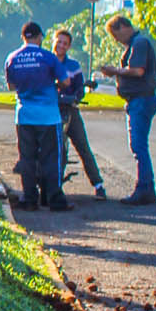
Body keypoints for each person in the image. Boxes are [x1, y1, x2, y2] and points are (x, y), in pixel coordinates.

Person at [4, 20, 70, 212]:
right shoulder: (48, 57)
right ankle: (54, 199)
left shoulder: (12, 58)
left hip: (24, 115)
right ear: (40, 36)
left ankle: (29, 198)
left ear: (23, 37)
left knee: (27, 158)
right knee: (51, 158)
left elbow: (11, 86)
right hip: (48, 116)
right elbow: (65, 81)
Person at [99, 14, 156, 205]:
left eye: (116, 36)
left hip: (141, 99)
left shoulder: (139, 43)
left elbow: (137, 71)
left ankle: (145, 189)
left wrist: (114, 71)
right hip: (138, 100)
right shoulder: (134, 45)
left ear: (123, 27)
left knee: (139, 145)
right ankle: (146, 187)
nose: (116, 41)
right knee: (138, 145)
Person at [52, 28, 106, 200]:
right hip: (51, 111)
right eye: (58, 41)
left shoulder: (73, 65)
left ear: (69, 47)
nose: (60, 45)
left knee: (82, 146)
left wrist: (75, 97)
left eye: (64, 43)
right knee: (52, 149)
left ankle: (98, 185)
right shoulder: (46, 61)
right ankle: (52, 185)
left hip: (70, 111)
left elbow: (79, 89)